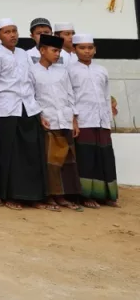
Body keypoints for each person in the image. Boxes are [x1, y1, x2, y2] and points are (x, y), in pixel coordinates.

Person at [0, 18, 47, 211]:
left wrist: (38, 107)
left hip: (29, 108)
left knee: (32, 153)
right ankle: (11, 195)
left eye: (14, 31)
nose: (12, 35)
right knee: (10, 155)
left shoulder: (23, 54)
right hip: (7, 110)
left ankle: (34, 195)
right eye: (7, 32)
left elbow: (32, 80)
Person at [32, 34, 83, 212]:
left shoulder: (62, 71)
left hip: (66, 120)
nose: (57, 54)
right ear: (42, 50)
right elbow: (32, 97)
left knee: (67, 161)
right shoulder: (32, 71)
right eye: (54, 51)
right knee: (50, 161)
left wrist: (74, 119)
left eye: (59, 51)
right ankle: (50, 196)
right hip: (48, 121)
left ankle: (64, 196)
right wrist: (39, 116)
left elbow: (70, 95)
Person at [68, 34, 118, 208]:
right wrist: (74, 119)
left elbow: (106, 96)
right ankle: (85, 196)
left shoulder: (101, 70)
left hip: (102, 121)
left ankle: (107, 195)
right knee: (86, 159)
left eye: (90, 47)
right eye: (82, 48)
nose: (87, 51)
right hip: (83, 120)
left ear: (95, 49)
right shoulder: (70, 71)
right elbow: (69, 97)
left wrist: (108, 119)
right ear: (74, 50)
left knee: (105, 157)